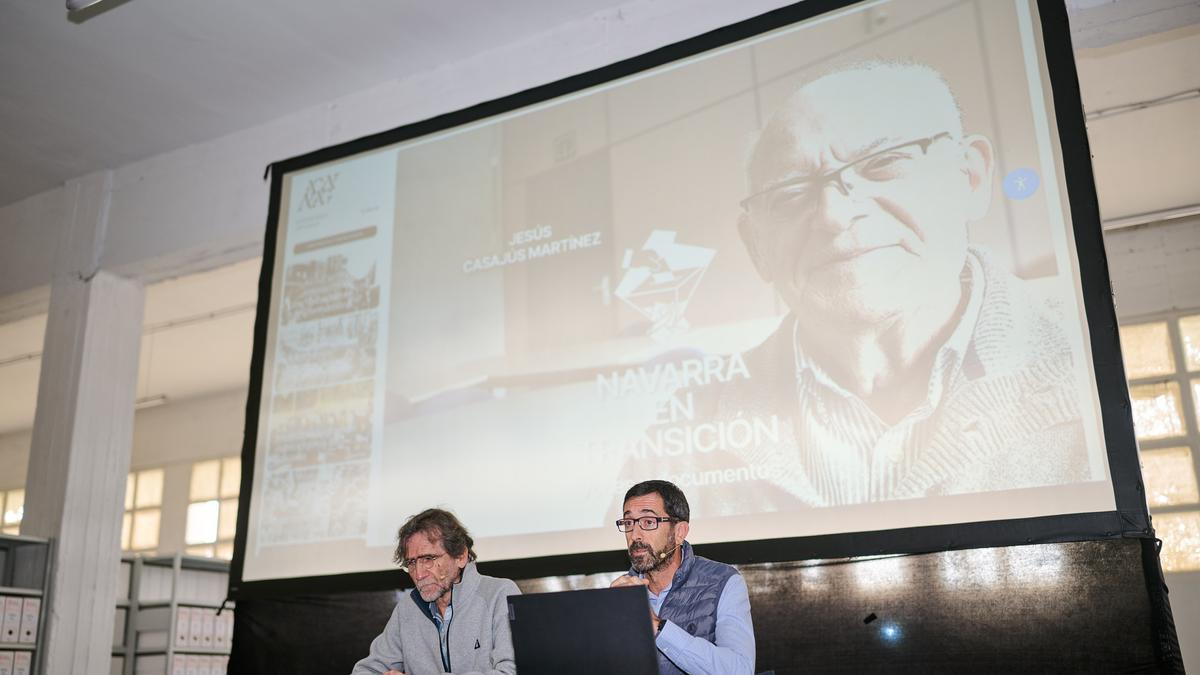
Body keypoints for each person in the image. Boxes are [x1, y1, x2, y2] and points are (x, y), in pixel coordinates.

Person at [697, 59, 1090, 508]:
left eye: (882, 164)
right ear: (756, 246)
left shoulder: (1086, 361)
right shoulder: (690, 424)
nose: (834, 216)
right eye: (790, 194)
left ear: (971, 177)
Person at [610, 479, 755, 675]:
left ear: (679, 532)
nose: (635, 534)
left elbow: (739, 670)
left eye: (648, 522)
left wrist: (658, 628)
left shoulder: (723, 582)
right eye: (628, 523)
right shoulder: (621, 593)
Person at [351, 508, 519, 675]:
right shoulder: (407, 610)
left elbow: (512, 671)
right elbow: (365, 670)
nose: (418, 574)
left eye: (428, 559)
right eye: (411, 563)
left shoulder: (500, 594)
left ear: (460, 556)